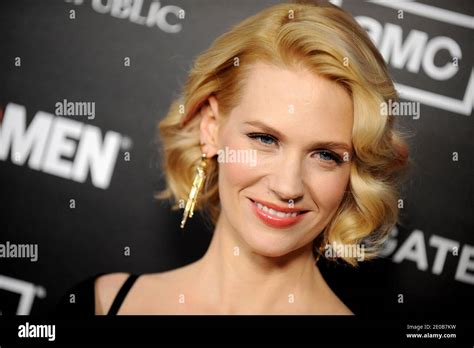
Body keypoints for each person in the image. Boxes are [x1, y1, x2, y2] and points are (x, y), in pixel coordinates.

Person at [56, 0, 408, 316]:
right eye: (264, 138)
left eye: (325, 155)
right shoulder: (101, 305)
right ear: (211, 128)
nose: (288, 186)